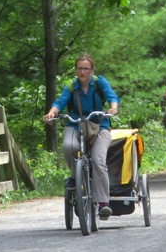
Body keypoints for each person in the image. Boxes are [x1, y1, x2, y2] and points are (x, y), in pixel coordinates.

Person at [42, 54, 120, 220]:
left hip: (100, 125)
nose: (83, 71)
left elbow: (112, 96)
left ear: (92, 70)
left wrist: (113, 108)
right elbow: (60, 103)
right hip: (76, 124)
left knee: (98, 160)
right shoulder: (71, 86)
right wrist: (51, 113)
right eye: (80, 68)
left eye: (86, 68)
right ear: (76, 70)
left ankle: (103, 204)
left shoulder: (100, 83)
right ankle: (74, 176)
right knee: (69, 146)